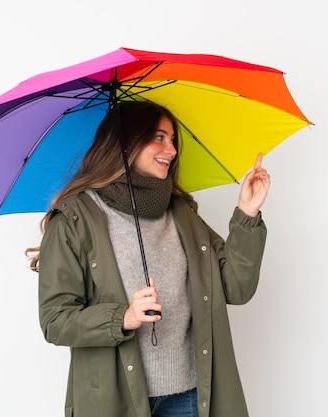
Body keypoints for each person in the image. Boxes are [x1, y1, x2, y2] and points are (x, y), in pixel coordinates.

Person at [26, 100, 270, 417]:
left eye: (172, 140)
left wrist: (247, 214)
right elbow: (55, 320)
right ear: (126, 143)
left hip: (190, 397)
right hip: (116, 402)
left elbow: (236, 287)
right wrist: (124, 317)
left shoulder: (182, 214)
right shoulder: (75, 219)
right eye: (159, 137)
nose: (171, 149)